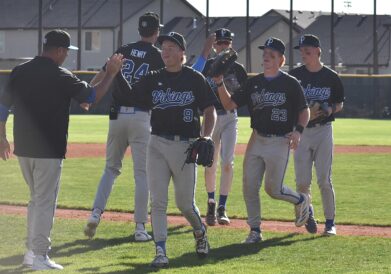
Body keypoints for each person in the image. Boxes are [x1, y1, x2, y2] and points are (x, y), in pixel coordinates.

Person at [0, 29, 123, 270]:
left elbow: (2, 107)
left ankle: (29, 253)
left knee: (36, 201)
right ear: (58, 51)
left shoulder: (20, 71)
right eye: (66, 51)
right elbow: (92, 96)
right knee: (44, 202)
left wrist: (2, 137)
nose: (67, 55)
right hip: (48, 150)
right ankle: (39, 255)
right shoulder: (60, 75)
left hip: (23, 148)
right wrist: (110, 74)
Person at [127, 31, 216, 268]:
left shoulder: (195, 78)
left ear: (182, 52)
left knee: (185, 204)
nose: (165, 51)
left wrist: (206, 136)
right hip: (156, 143)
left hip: (186, 146)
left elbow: (210, 110)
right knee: (157, 202)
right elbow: (130, 93)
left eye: (170, 47)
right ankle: (160, 251)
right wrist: (113, 73)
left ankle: (199, 231)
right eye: (163, 47)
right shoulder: (153, 78)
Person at [212, 37, 310, 243]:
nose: (266, 57)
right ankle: (255, 230)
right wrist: (220, 82)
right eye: (265, 53)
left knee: (273, 189)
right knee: (249, 186)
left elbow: (304, 110)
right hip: (257, 139)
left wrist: (299, 131)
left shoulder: (290, 83)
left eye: (271, 54)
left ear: (281, 60)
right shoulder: (253, 83)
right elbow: (229, 104)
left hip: (280, 141)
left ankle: (301, 200)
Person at [84, 12, 165, 242]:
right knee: (142, 174)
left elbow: (102, 74)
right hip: (141, 118)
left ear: (139, 30)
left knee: (110, 169)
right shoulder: (157, 56)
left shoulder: (124, 50)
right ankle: (140, 228)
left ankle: (95, 214)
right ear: (156, 32)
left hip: (117, 117)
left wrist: (88, 95)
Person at [289, 34, 345, 236]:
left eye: (308, 51)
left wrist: (329, 109)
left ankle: (330, 223)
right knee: (302, 181)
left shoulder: (331, 77)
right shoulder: (294, 76)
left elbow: (339, 103)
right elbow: (289, 105)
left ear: (318, 52)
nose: (304, 54)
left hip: (323, 131)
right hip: (302, 132)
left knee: (324, 179)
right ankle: (307, 212)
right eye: (302, 51)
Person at [201, 28, 247, 226]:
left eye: (226, 43)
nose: (223, 46)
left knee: (227, 162)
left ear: (231, 45)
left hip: (229, 117)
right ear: (214, 46)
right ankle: (211, 202)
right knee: (210, 162)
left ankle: (222, 207)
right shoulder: (208, 66)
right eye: (219, 43)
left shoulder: (238, 69)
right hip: (211, 116)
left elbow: (246, 95)